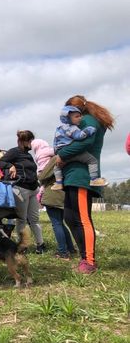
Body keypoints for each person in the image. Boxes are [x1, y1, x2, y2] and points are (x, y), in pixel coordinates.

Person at [56, 95, 114, 274]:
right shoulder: (85, 120)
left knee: (82, 218)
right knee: (69, 217)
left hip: (82, 175)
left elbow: (86, 142)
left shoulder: (87, 120)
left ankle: (89, 260)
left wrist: (61, 154)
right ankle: (84, 257)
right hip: (72, 175)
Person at [0, 130, 46, 254]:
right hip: (21, 189)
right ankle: (22, 246)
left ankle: (40, 244)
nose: (31, 143)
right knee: (22, 219)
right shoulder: (14, 152)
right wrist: (10, 166)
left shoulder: (28, 155)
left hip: (33, 189)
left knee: (34, 219)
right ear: (23, 141)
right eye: (30, 141)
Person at [32, 140, 76, 260]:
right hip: (62, 194)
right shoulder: (65, 158)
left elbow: (42, 176)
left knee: (56, 224)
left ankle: (62, 252)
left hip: (52, 194)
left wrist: (39, 173)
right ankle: (70, 249)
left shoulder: (54, 159)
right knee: (61, 223)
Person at [51, 105, 107, 191]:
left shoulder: (59, 129)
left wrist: (58, 154)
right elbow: (80, 136)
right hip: (73, 153)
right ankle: (94, 179)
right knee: (92, 161)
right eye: (77, 116)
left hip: (62, 154)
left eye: (80, 116)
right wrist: (89, 130)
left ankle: (58, 183)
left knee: (57, 167)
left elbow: (55, 143)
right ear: (68, 118)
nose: (80, 118)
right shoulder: (72, 128)